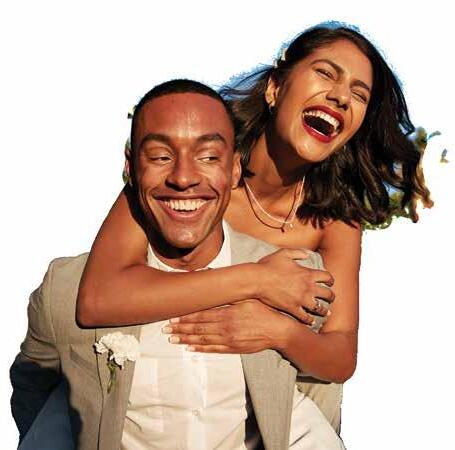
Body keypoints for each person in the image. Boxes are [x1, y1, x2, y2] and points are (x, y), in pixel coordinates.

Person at [76, 22, 432, 431]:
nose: (340, 97)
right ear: (275, 88)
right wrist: (258, 280)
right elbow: (97, 298)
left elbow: (340, 357)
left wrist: (278, 331)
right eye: (325, 73)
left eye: (359, 94)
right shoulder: (194, 169)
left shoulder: (336, 217)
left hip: (272, 414)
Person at [10, 80, 344, 450]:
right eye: (160, 157)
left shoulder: (294, 278)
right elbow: (34, 393)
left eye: (208, 157)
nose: (183, 178)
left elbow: (319, 391)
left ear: (235, 169)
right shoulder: (65, 291)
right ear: (131, 167)